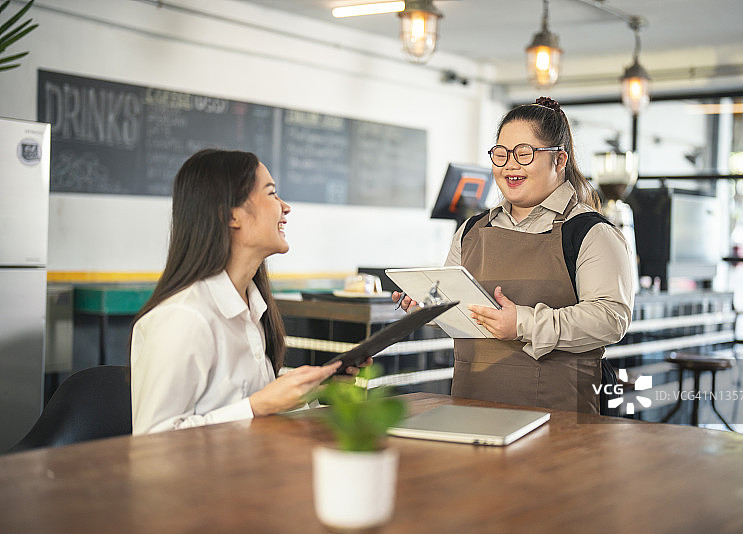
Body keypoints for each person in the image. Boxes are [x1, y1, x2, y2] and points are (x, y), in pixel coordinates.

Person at [394, 97, 634, 414]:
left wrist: (523, 322)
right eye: (501, 154)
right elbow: (464, 314)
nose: (510, 165)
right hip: (471, 407)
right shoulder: (470, 231)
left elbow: (611, 319)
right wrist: (429, 309)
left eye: (524, 154)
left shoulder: (591, 233)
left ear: (559, 160)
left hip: (558, 415)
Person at [131, 148, 364, 434]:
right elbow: (151, 440)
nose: (285, 207)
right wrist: (256, 406)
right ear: (230, 215)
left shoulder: (254, 308)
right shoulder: (184, 317)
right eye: (271, 193)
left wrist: (309, 393)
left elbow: (254, 419)